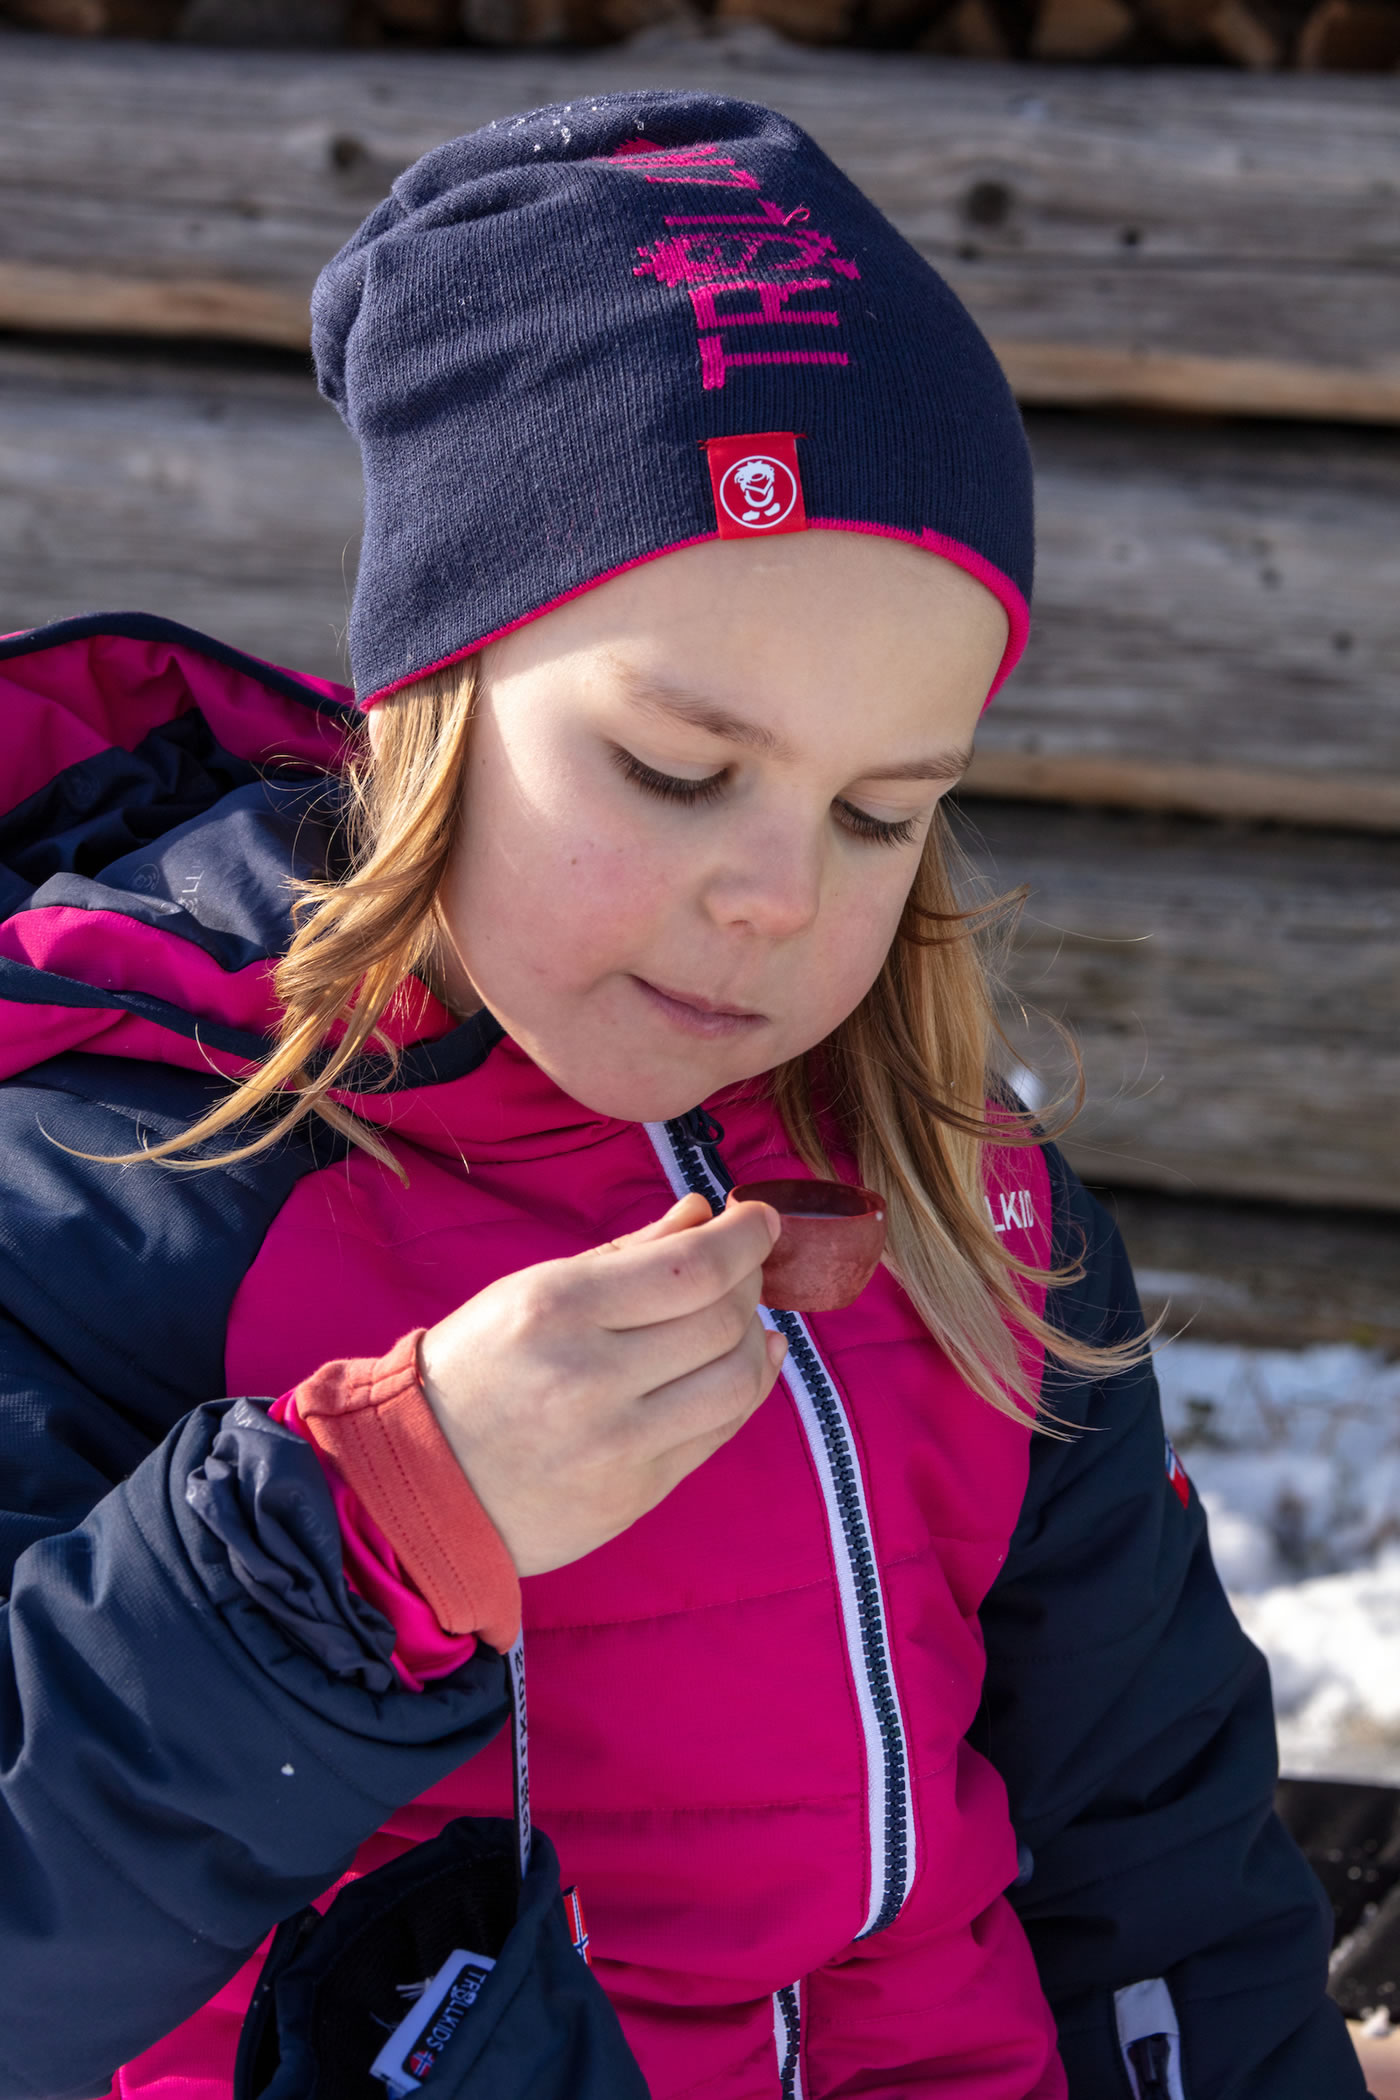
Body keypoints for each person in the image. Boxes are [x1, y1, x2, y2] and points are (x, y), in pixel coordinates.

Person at [0, 90, 1366, 2100]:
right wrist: (370, 1528)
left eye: (880, 810)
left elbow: (1152, 1866)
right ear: (430, 691)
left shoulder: (963, 1212)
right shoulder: (117, 1173)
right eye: (676, 769)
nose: (776, 894)